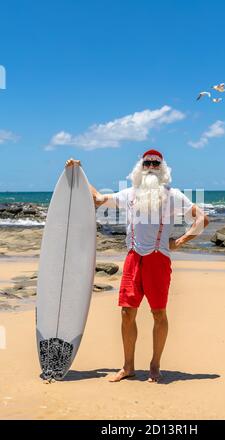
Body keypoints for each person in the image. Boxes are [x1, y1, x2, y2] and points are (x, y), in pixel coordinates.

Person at [65, 149, 209, 383]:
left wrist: (180, 241)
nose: (151, 166)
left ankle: (155, 366)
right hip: (133, 258)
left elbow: (203, 218)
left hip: (158, 259)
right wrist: (78, 172)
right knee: (126, 313)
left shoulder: (174, 197)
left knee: (159, 313)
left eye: (155, 163)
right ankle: (128, 366)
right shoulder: (129, 194)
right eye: (147, 163)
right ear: (140, 167)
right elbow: (97, 199)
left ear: (162, 169)